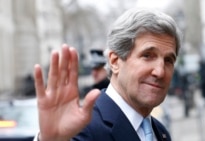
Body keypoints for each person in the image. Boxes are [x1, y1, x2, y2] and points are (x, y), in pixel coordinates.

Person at [33, 7, 181, 141]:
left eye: (168, 60)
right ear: (115, 62)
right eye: (147, 56)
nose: (160, 71)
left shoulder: (160, 132)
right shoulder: (82, 129)